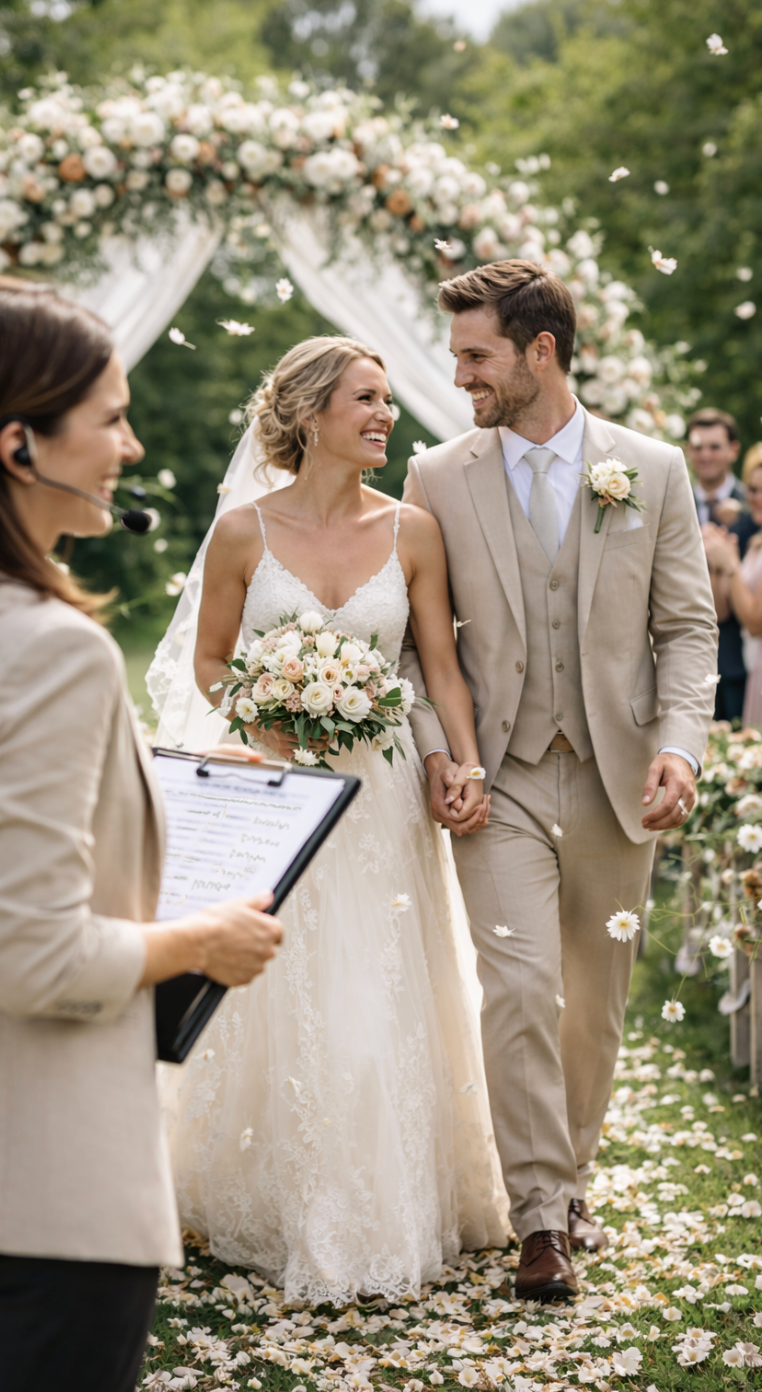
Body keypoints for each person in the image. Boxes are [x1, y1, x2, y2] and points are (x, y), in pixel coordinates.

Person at [0, 277, 282, 1392]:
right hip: (36, 1179)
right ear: (17, 445)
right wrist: (201, 942)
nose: (129, 448)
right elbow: (37, 956)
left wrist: (158, 775)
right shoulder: (52, 651)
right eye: (111, 420)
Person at [160, 336, 508, 1307]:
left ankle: (377, 1208)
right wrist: (263, 705)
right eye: (365, 399)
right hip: (276, 793)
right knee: (285, 991)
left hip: (382, 795)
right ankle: (270, 1196)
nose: (384, 417)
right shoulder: (240, 532)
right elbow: (210, 663)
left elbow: (435, 669)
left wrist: (462, 763)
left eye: (387, 402)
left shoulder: (411, 533)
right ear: (310, 412)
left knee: (376, 994)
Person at [400, 260, 718, 1302]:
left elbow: (684, 630)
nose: (459, 376)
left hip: (620, 780)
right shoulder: (436, 476)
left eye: (475, 354)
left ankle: (569, 1180)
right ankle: (538, 1217)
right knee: (521, 985)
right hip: (498, 777)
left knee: (592, 1003)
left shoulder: (652, 468)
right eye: (456, 357)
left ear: (539, 352)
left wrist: (678, 744)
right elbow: (417, 643)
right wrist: (439, 751)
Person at [688, 408, 755, 721]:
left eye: (715, 446)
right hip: (686, 662)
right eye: (698, 446)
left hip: (742, 661)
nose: (706, 455)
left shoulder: (754, 502)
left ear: (733, 450)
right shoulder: (674, 502)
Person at [703, 444, 762, 728]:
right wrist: (716, 564)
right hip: (752, 666)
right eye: (752, 489)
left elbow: (754, 621)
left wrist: (730, 566)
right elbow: (722, 612)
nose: (757, 498)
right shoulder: (754, 543)